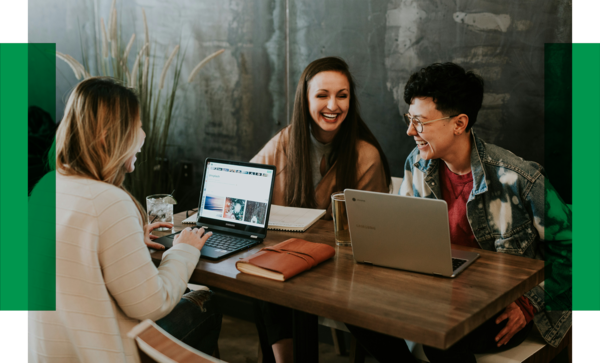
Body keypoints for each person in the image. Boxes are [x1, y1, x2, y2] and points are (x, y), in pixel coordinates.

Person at [346, 62, 572, 363]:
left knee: (441, 334)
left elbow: (577, 249)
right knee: (353, 308)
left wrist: (529, 304)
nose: (410, 130)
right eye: (409, 119)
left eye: (421, 122)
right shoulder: (417, 163)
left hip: (499, 306)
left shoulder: (518, 178)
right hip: (438, 294)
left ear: (459, 123)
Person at [26, 77, 222, 362]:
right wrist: (184, 250)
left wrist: (128, 238)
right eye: (138, 126)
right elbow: (151, 304)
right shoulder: (109, 201)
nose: (143, 135)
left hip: (47, 353)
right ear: (110, 136)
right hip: (100, 354)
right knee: (207, 303)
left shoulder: (45, 186)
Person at [250, 56, 392, 363]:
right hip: (288, 262)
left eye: (342, 95)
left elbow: (369, 234)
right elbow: (248, 184)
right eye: (322, 95)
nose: (333, 105)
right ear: (305, 99)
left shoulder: (365, 155)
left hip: (341, 272)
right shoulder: (287, 140)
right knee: (263, 278)